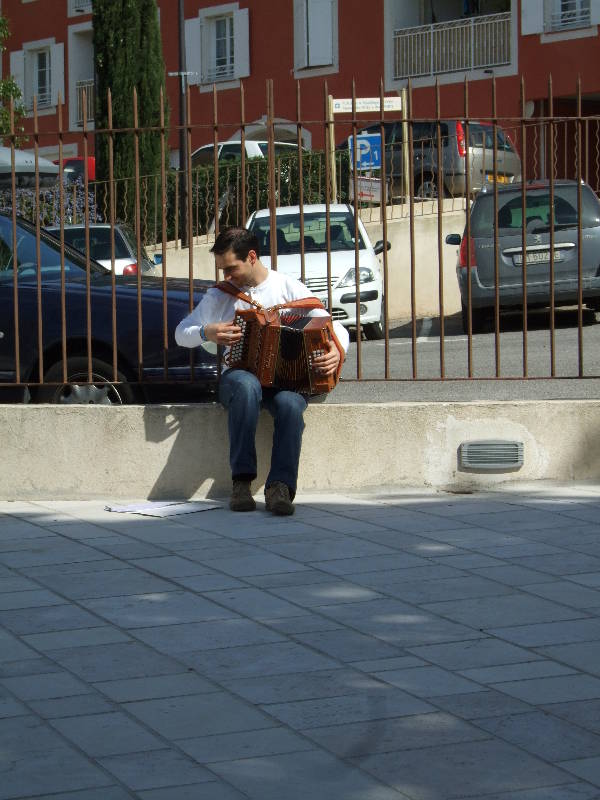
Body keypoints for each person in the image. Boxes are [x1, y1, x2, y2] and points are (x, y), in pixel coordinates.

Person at [175, 226, 350, 516]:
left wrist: (337, 349)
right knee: (247, 386)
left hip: (283, 381)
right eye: (222, 270)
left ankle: (280, 488)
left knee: (291, 404)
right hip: (237, 378)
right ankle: (241, 483)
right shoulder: (220, 296)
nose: (226, 277)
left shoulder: (287, 287)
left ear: (252, 257)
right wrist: (207, 332)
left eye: (231, 268)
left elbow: (332, 324)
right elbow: (181, 333)